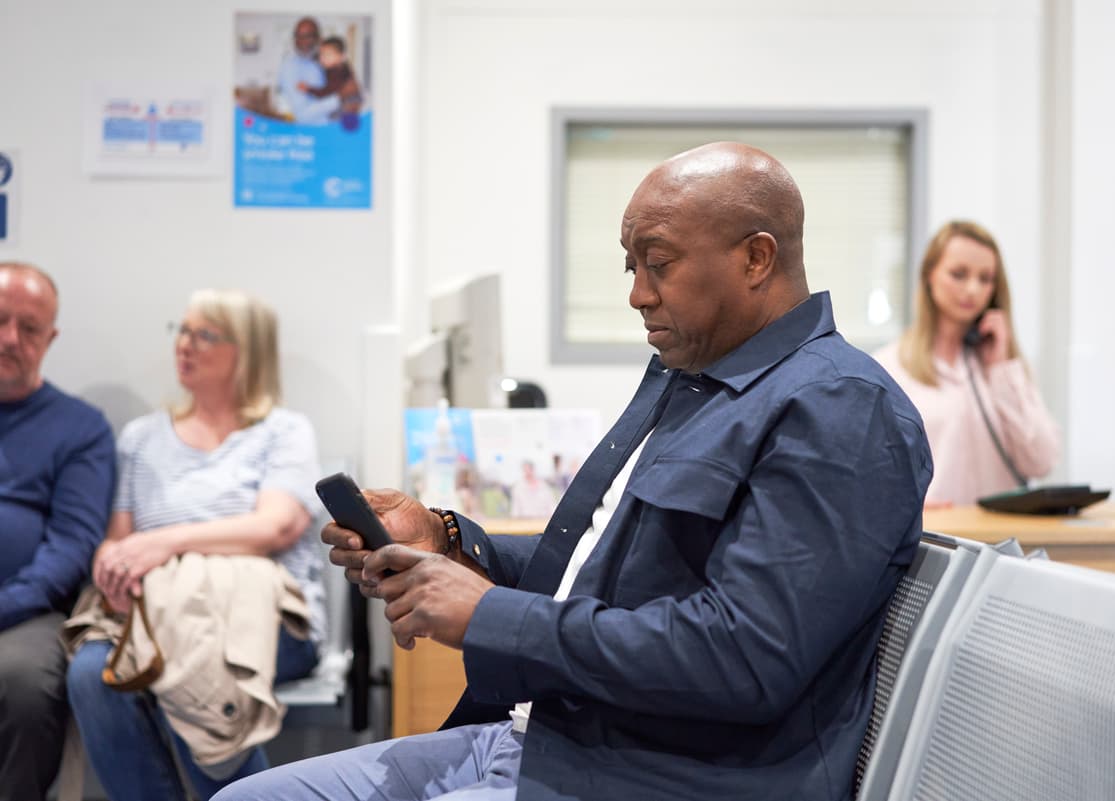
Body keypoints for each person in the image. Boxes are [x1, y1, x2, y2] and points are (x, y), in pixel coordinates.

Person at [214, 142, 932, 801]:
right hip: (547, 737)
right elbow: (594, 573)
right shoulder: (688, 379)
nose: (638, 294)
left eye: (660, 262)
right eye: (631, 266)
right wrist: (448, 543)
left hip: (660, 775)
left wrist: (489, 614)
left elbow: (746, 657)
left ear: (756, 258)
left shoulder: (840, 408)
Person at [65, 289, 327, 801]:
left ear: (246, 351)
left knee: (187, 658)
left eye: (204, 335)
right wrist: (114, 573)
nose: (185, 345)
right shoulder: (141, 439)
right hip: (157, 612)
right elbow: (116, 543)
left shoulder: (283, 432)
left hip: (264, 620)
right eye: (182, 331)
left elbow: (274, 527)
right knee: (92, 671)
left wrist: (162, 544)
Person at [0, 262, 116, 801]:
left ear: (51, 338)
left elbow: (71, 547)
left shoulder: (80, 428)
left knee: (22, 682)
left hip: (30, 613)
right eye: (0, 321)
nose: (9, 339)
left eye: (28, 328)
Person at [873, 220, 1059, 507]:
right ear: (929, 276)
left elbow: (1042, 461)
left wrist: (1001, 370)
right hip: (933, 538)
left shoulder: (1006, 368)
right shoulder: (889, 366)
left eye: (985, 278)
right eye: (959, 274)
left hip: (1003, 541)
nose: (973, 289)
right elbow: (869, 471)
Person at [275, 16, 337, 124]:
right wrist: (340, 99)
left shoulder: (324, 62)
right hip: (308, 132)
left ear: (319, 38)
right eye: (298, 36)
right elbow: (302, 114)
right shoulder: (289, 67)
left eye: (308, 36)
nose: (301, 41)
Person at [297, 35, 364, 130]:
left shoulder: (338, 71)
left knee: (337, 121)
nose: (323, 58)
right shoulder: (332, 66)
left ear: (341, 57)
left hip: (350, 102)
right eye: (322, 54)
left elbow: (326, 92)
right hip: (346, 100)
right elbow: (316, 58)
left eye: (327, 55)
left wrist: (308, 89)